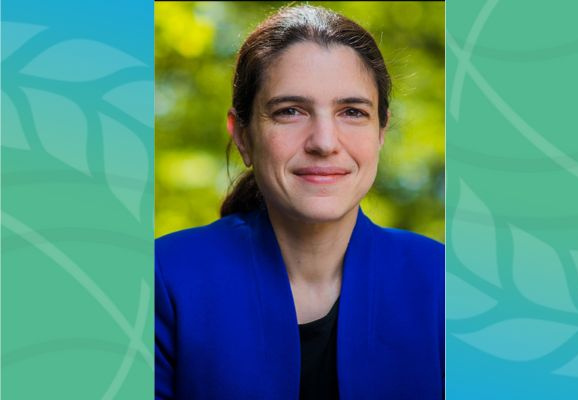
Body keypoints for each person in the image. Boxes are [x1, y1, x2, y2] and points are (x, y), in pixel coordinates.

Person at [155, 5, 444, 399]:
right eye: (290, 111)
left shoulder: (447, 286)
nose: (324, 142)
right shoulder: (161, 280)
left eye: (352, 112)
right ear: (242, 134)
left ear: (381, 131)